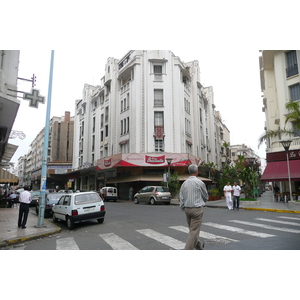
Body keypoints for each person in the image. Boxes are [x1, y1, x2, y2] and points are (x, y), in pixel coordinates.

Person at [179, 164, 208, 250]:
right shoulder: (200, 182)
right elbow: (205, 196)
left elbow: (181, 197)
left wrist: (183, 207)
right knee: (194, 231)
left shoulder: (184, 184)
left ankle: (199, 247)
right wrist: (202, 201)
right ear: (196, 171)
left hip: (187, 209)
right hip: (197, 209)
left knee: (192, 230)